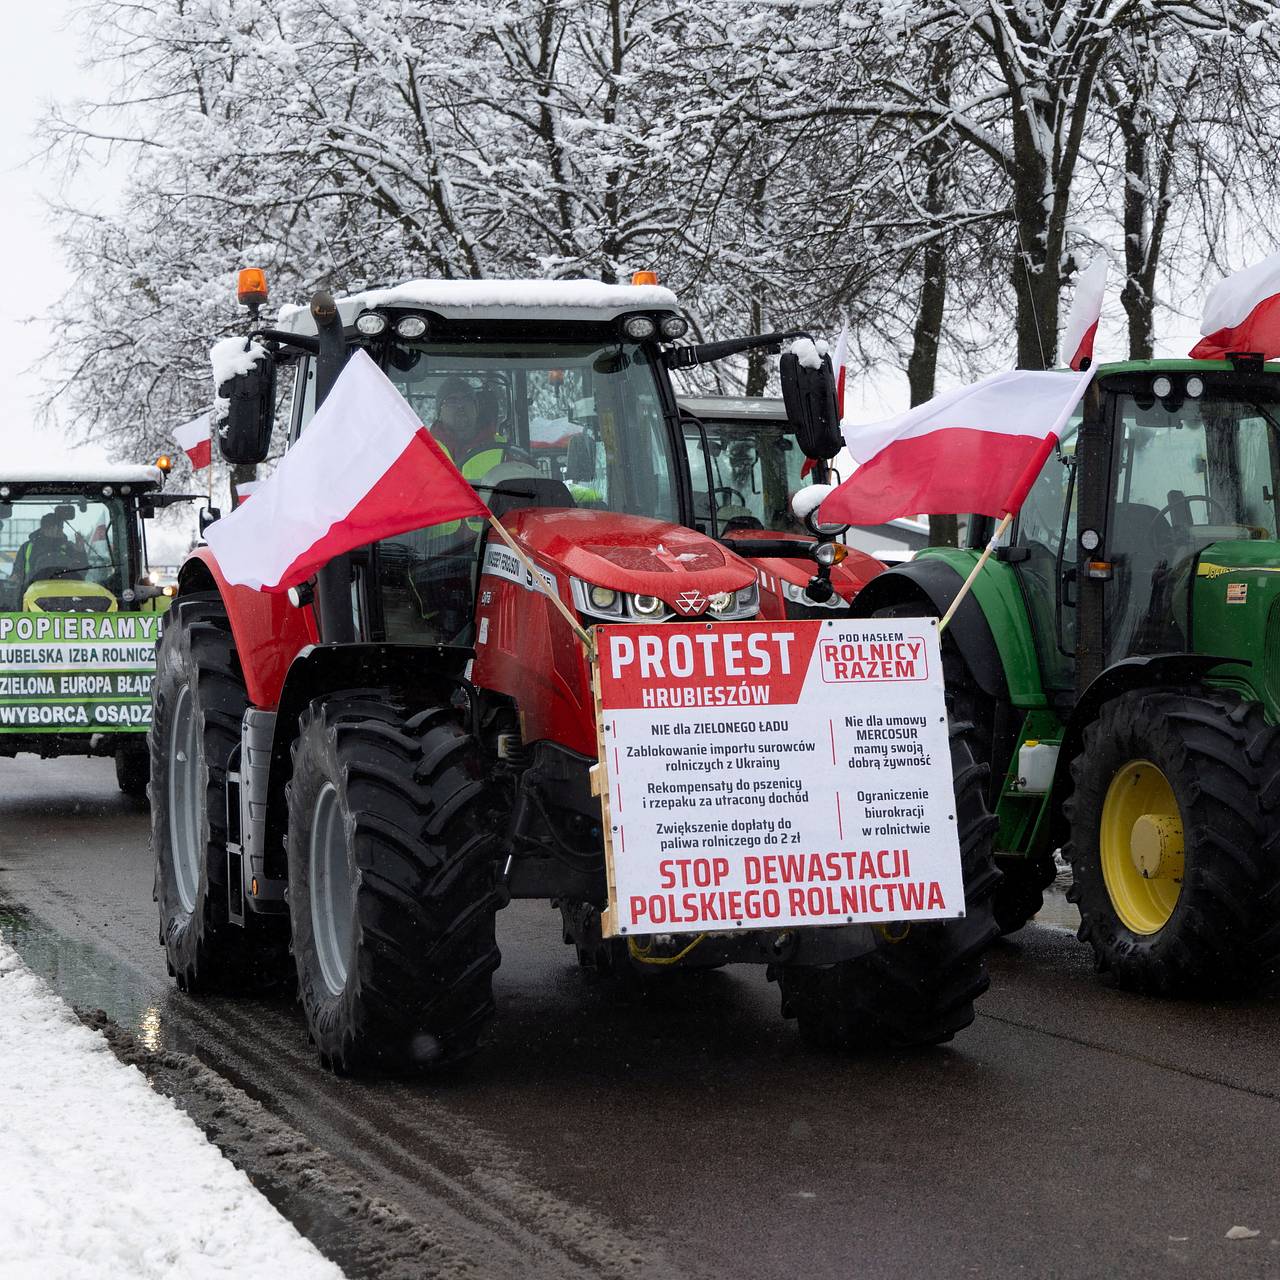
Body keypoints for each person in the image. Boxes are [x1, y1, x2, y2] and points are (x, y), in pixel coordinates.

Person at [18, 512, 83, 594]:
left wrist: (80, 553)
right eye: (60, 528)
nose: (61, 532)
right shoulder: (27, 547)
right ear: (52, 528)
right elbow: (17, 575)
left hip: (67, 594)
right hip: (32, 593)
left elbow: (81, 573)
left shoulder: (70, 547)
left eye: (61, 528)